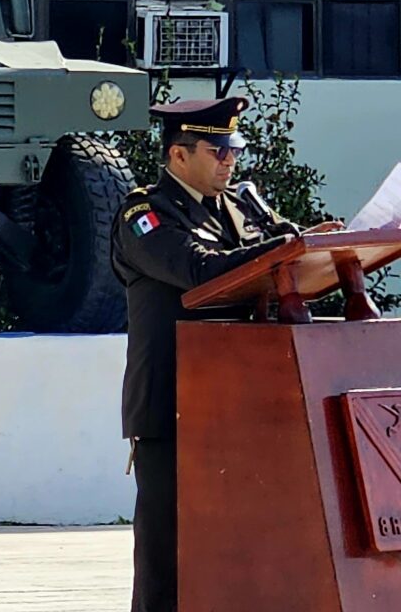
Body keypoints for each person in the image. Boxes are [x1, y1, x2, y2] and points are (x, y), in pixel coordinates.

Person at [110, 96, 340, 611]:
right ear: (178, 155)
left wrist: (305, 247)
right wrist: (284, 249)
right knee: (168, 557)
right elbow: (198, 271)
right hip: (173, 404)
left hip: (243, 404)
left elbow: (286, 274)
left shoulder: (241, 206)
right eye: (216, 151)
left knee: (240, 549)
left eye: (232, 150)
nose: (228, 161)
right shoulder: (144, 214)